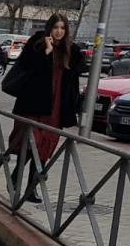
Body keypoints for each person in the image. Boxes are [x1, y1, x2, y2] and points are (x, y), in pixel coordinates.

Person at [7, 13, 80, 203]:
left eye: (63, 28)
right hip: (34, 104)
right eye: (56, 27)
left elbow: (74, 80)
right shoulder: (37, 44)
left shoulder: (71, 50)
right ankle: (15, 178)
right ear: (49, 28)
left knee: (44, 148)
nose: (59, 32)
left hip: (56, 107)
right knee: (30, 143)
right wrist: (46, 51)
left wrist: (74, 107)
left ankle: (31, 188)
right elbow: (28, 69)